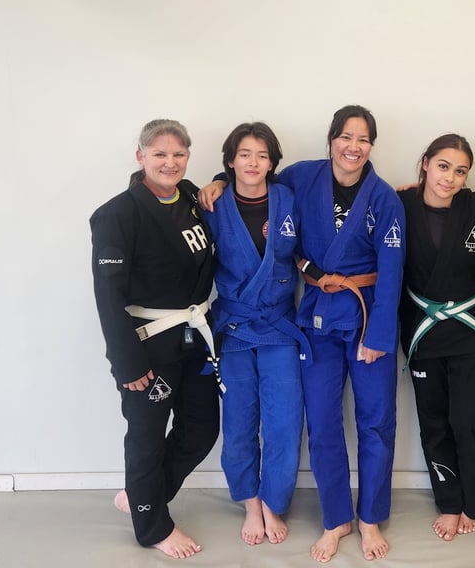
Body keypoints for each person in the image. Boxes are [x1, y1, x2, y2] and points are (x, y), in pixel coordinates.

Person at [201, 105, 406, 563]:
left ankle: (370, 517)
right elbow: (254, 179)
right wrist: (217, 180)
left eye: (363, 139)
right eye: (345, 137)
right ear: (331, 139)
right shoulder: (302, 177)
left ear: (372, 146)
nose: (353, 147)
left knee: (376, 421)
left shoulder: (385, 198)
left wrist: (379, 336)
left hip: (367, 316)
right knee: (322, 421)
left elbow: (393, 269)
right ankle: (337, 519)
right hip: (315, 316)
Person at [90, 119, 220, 560]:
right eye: (160, 154)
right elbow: (108, 297)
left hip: (195, 336)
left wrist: (221, 181)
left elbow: (218, 192)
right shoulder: (117, 215)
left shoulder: (191, 198)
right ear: (140, 156)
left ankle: (143, 493)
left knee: (201, 429)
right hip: (148, 344)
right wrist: (126, 363)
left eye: (179, 154)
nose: (170, 162)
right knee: (146, 436)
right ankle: (152, 527)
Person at [397, 133, 475, 542]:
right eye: (443, 166)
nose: (450, 178)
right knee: (434, 423)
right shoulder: (401, 205)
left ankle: (473, 501)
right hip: (423, 332)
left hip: (470, 333)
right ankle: (448, 501)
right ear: (425, 163)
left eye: (460, 171)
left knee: (470, 421)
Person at [199, 122, 306, 546]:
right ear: (230, 160)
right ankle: (249, 501)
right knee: (239, 421)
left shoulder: (288, 199)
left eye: (262, 155)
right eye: (244, 154)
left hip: (279, 325)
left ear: (273, 163)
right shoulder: (212, 204)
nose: (253, 162)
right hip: (235, 326)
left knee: (284, 421)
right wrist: (217, 182)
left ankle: (272, 501)